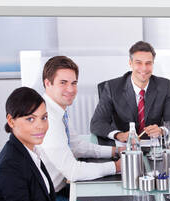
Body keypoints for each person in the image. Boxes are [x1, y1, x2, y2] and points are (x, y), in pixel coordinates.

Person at [0, 87, 107, 201]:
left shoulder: (31, 151)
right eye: (30, 119)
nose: (40, 126)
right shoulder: (10, 167)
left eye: (44, 118)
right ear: (11, 121)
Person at [39, 55, 123, 193]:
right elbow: (73, 172)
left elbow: (76, 146)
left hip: (59, 188)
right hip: (49, 198)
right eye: (63, 83)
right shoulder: (47, 118)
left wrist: (115, 151)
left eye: (73, 83)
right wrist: (117, 167)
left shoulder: (58, 111)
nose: (71, 89)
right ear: (48, 83)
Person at [89, 41, 170, 145]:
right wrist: (119, 135)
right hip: (124, 148)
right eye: (139, 63)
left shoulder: (164, 85)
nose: (144, 68)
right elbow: (97, 124)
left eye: (148, 63)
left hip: (154, 148)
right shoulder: (112, 87)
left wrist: (162, 130)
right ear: (130, 63)